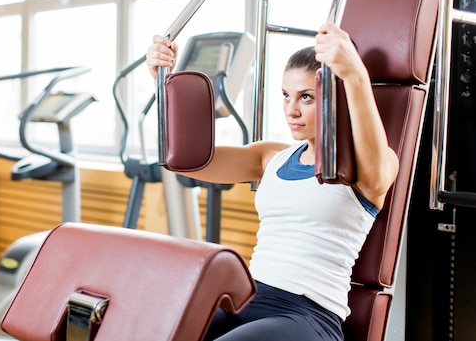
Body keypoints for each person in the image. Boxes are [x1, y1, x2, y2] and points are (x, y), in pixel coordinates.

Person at [145, 22, 399, 341]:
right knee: (154, 328)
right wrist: (162, 83)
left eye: (306, 97)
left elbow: (376, 174)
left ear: (337, 96)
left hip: (308, 315)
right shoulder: (271, 156)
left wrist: (354, 75)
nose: (291, 110)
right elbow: (189, 161)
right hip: (246, 300)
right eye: (285, 96)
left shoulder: (370, 165)